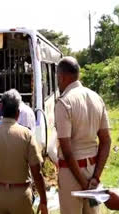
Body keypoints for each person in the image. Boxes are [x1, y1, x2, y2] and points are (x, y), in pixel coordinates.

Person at [55, 57, 111, 214]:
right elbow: (106, 140)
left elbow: (66, 150)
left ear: (62, 77)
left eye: (58, 78)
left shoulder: (64, 102)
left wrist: (83, 183)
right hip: (93, 170)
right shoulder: (96, 98)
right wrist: (95, 178)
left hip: (71, 174)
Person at [0, 89, 47, 214]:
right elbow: (37, 172)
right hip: (21, 194)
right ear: (18, 113)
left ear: (1, 110)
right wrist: (43, 201)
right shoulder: (27, 135)